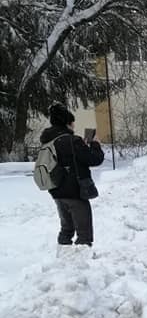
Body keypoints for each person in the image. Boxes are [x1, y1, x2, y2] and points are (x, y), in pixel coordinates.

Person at [39, 104, 105, 247]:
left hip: (57, 192)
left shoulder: (48, 141)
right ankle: (81, 265)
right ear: (68, 123)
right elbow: (95, 159)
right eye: (73, 122)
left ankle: (63, 260)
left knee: (66, 230)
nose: (74, 125)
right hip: (75, 192)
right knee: (84, 234)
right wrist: (95, 144)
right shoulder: (72, 141)